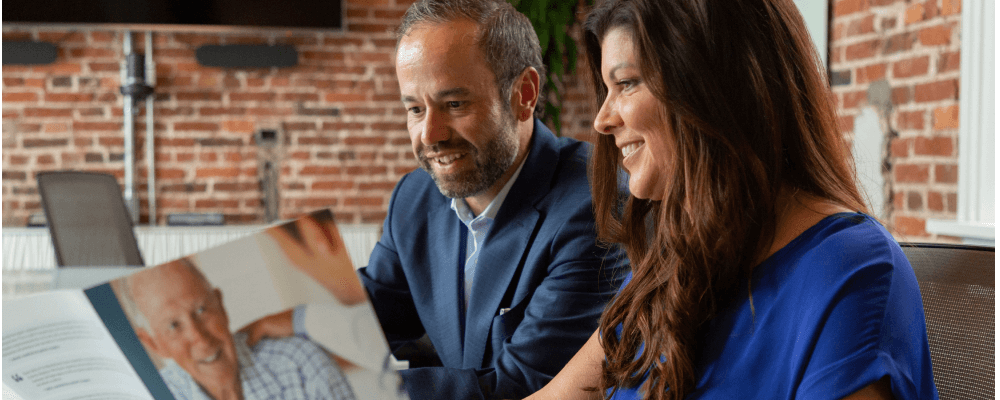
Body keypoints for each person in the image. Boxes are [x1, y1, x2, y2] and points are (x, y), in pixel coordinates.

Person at [525, 0, 939, 399]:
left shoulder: (851, 270)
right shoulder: (672, 265)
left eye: (627, 83)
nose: (602, 119)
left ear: (713, 87)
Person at [238, 0, 629, 399]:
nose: (430, 135)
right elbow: (375, 312)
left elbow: (522, 386)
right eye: (414, 108)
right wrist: (277, 330)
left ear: (524, 94)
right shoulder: (415, 197)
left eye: (454, 104)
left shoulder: (594, 204)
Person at [116, 258, 356, 400]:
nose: (199, 337)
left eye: (201, 310)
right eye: (173, 325)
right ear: (154, 344)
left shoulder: (300, 362)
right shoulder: (148, 395)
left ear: (220, 305)